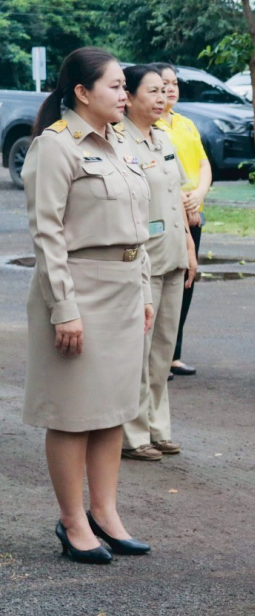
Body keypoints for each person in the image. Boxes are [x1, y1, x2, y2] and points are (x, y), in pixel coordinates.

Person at [24, 47, 154, 563]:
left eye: (125, 86)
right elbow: (47, 234)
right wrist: (64, 308)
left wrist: (143, 289)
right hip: (78, 286)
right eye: (116, 86)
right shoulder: (56, 146)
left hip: (124, 286)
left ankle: (106, 512)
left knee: (112, 410)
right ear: (82, 92)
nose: (125, 94)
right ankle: (72, 520)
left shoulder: (121, 143)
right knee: (74, 412)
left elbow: (138, 230)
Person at [120, 65, 198, 462]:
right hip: (142, 259)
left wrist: (188, 244)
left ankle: (157, 427)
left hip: (171, 254)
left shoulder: (163, 138)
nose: (161, 97)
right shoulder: (120, 142)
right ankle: (131, 434)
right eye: (152, 91)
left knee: (163, 349)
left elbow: (175, 197)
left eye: (164, 90)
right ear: (129, 97)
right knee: (139, 348)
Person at [155, 62, 210, 378]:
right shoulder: (148, 126)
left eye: (174, 83)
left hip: (193, 211)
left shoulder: (186, 124)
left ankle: (174, 354)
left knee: (186, 283)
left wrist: (197, 196)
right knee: (164, 282)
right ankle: (159, 355)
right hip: (169, 212)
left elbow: (204, 165)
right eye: (163, 84)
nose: (170, 89)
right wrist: (184, 202)